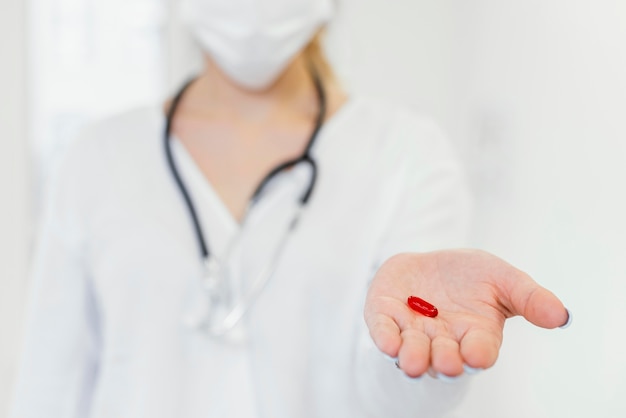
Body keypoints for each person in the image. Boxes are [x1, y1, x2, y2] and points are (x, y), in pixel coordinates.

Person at [10, 0, 569, 417]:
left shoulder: (408, 153)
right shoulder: (96, 159)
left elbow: (400, 397)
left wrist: (416, 351)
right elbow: (47, 392)